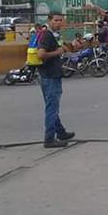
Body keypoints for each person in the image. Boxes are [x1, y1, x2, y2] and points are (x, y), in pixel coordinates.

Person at [37, 13, 75, 148]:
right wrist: (58, 52)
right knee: (52, 108)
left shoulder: (54, 35)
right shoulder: (47, 35)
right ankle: (49, 139)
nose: (58, 23)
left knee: (52, 106)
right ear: (49, 21)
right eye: (55, 20)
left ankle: (61, 132)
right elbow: (41, 54)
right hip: (49, 76)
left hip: (51, 75)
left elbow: (62, 48)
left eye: (60, 20)